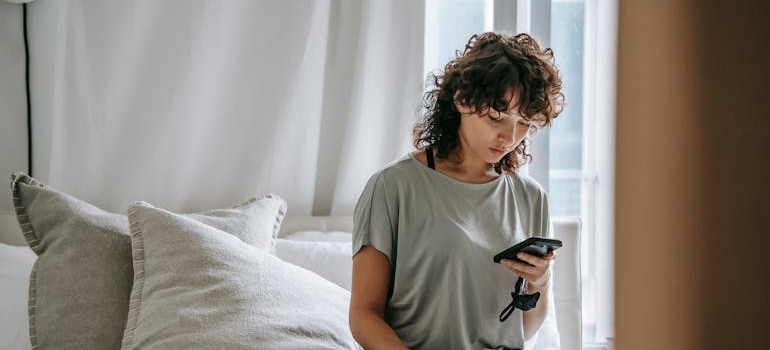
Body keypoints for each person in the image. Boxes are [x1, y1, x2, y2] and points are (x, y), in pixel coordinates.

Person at [349, 32, 565, 350]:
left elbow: (525, 331)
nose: (510, 136)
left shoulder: (531, 198)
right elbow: (364, 316)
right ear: (462, 99)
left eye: (524, 124)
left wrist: (540, 281)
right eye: (497, 116)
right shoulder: (393, 187)